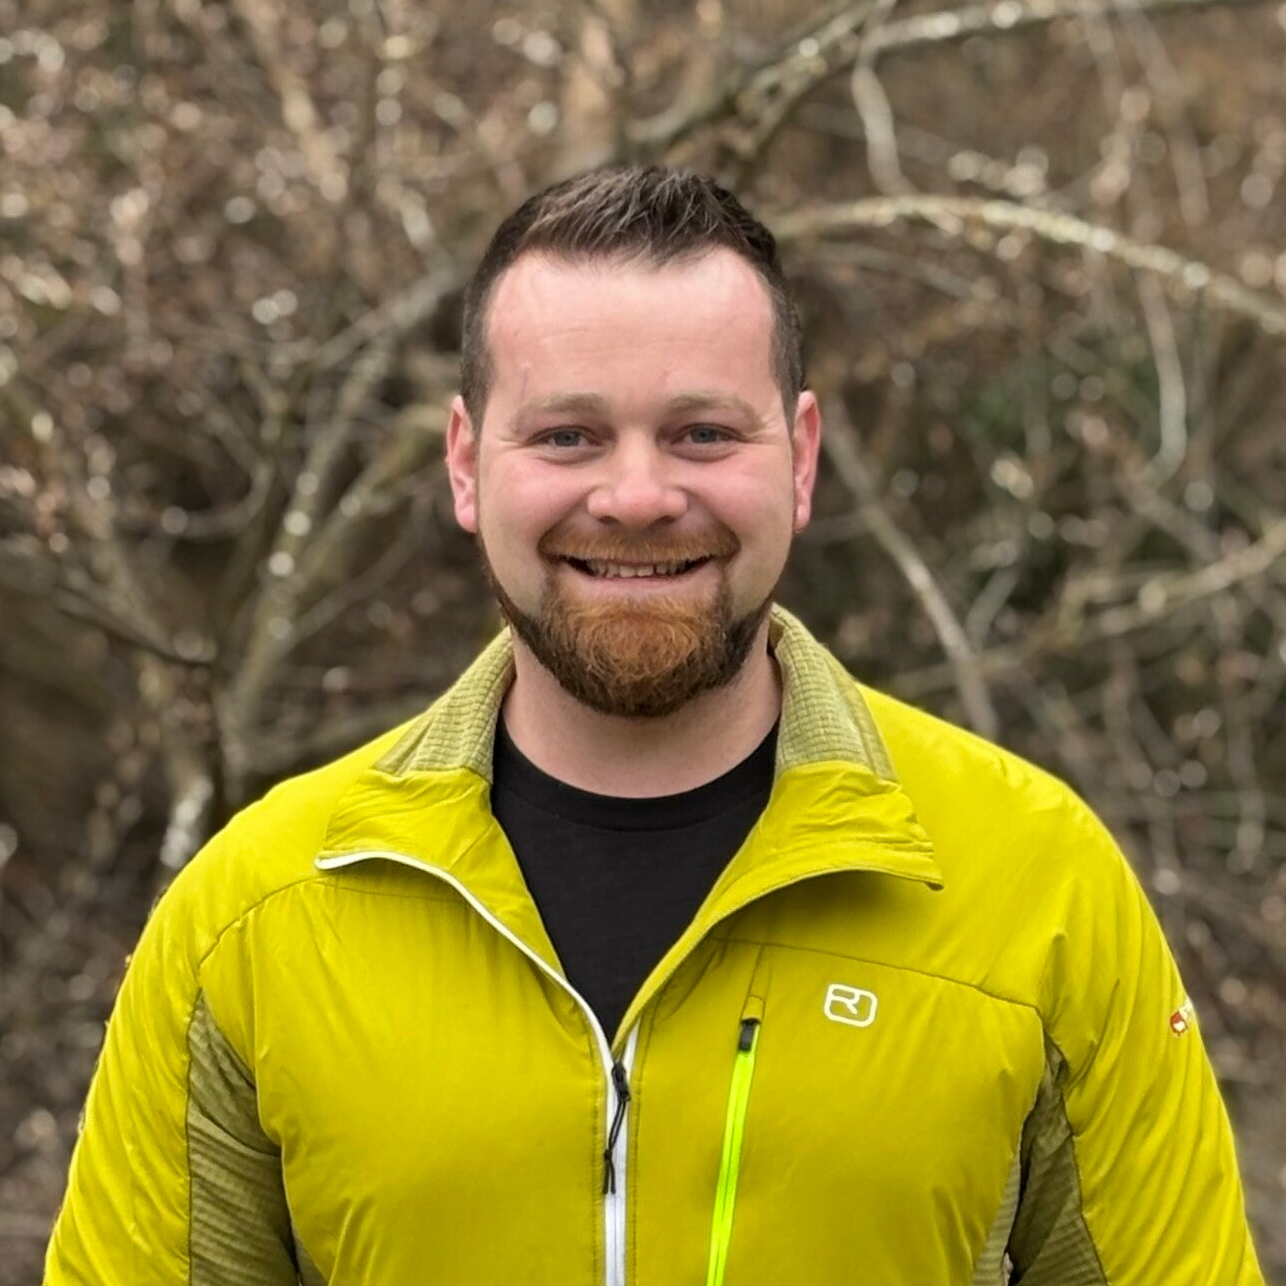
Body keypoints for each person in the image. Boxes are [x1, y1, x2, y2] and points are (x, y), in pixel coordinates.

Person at [45, 166, 1264, 1286]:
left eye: (701, 433)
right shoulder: (255, 915)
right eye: (567, 434)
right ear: (466, 464)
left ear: (798, 458)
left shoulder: (1037, 881)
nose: (635, 496)